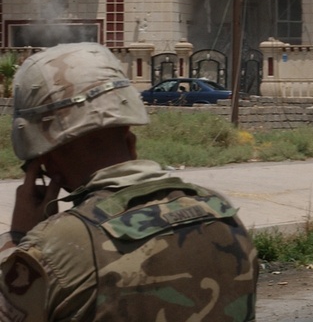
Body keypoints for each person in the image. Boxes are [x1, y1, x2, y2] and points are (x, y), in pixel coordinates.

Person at [0, 42, 258, 320]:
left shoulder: (54, 248)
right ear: (130, 141)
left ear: (45, 160)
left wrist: (17, 241)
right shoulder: (222, 215)